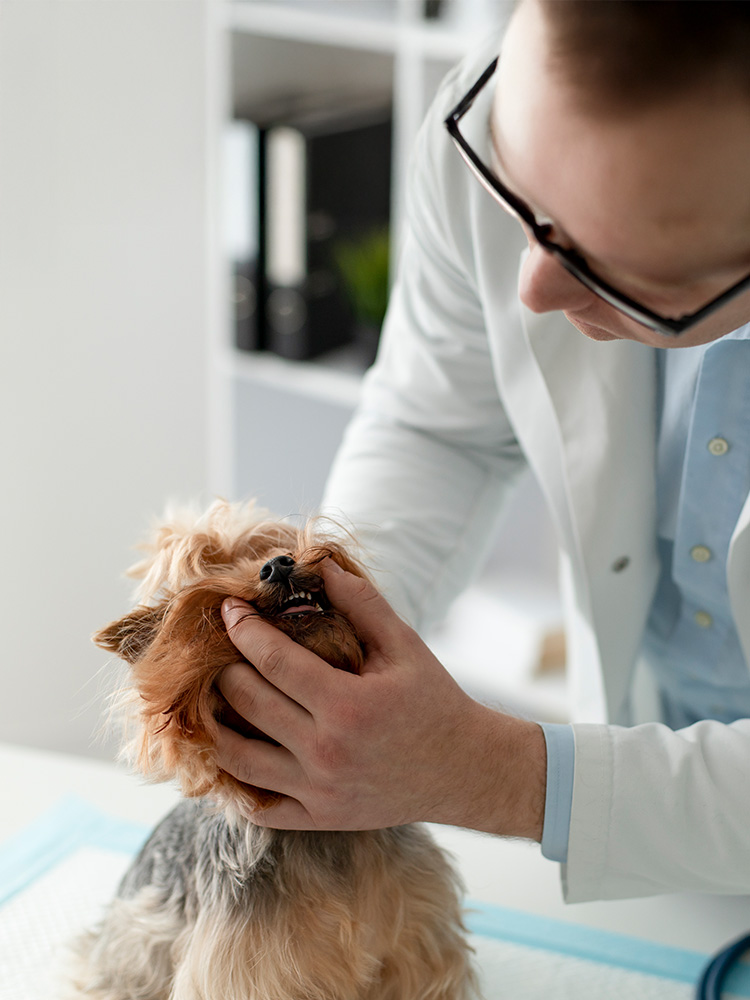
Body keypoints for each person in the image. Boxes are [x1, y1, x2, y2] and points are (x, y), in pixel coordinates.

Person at [214, 0, 750, 903]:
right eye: (522, 200)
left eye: (640, 281)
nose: (532, 290)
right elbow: (441, 425)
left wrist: (493, 774)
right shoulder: (497, 106)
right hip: (661, 798)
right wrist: (333, 644)